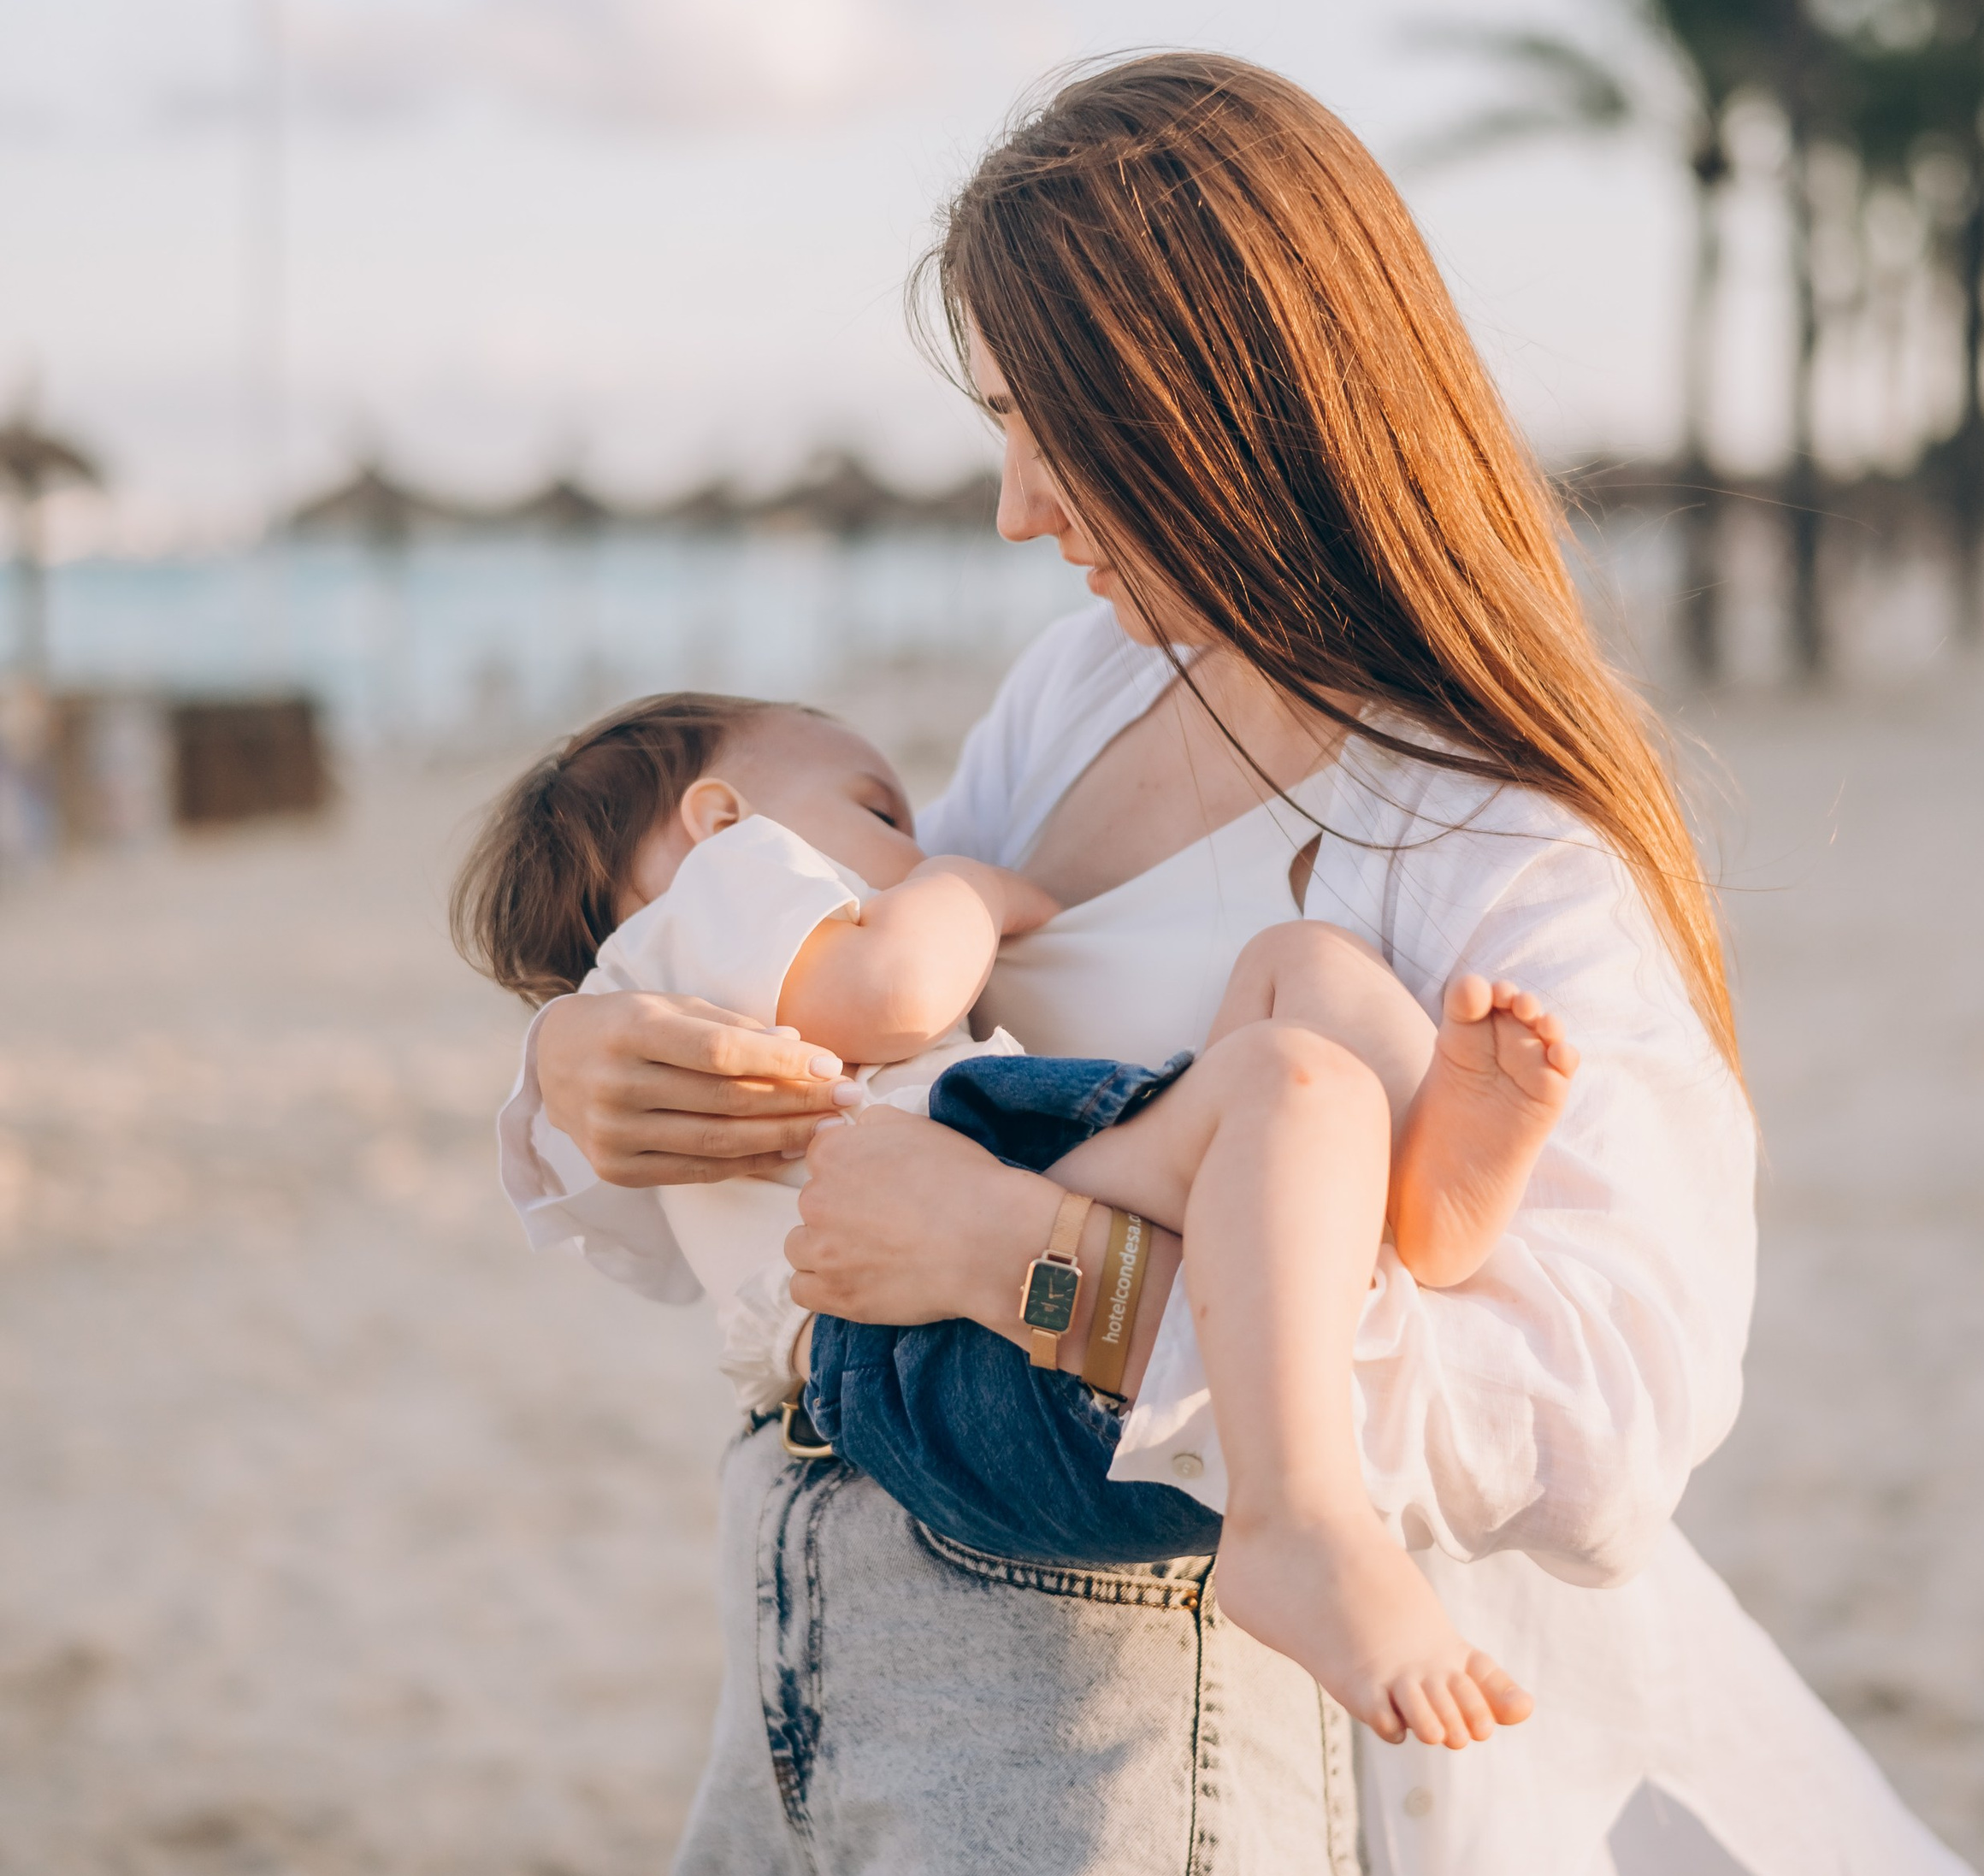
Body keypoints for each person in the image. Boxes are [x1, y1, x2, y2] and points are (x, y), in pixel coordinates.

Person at [502, 53, 1984, 1876]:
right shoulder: (1084, 692)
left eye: (1045, 426)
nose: (1015, 506)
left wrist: (1029, 1263)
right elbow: (853, 1022)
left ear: (1226, 399)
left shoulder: (1503, 848)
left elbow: (1601, 1422)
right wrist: (575, 1072)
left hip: (1104, 1724)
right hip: (818, 1667)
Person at [456, 684, 1572, 1743]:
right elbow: (894, 990)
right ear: (719, 820)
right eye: (881, 811)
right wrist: (972, 893)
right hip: (929, 1358)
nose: (925, 841)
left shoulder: (708, 982)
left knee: (1299, 1017)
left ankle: (1416, 1201)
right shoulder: (714, 902)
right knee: (1279, 1068)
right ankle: (1294, 1515)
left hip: (988, 1303)